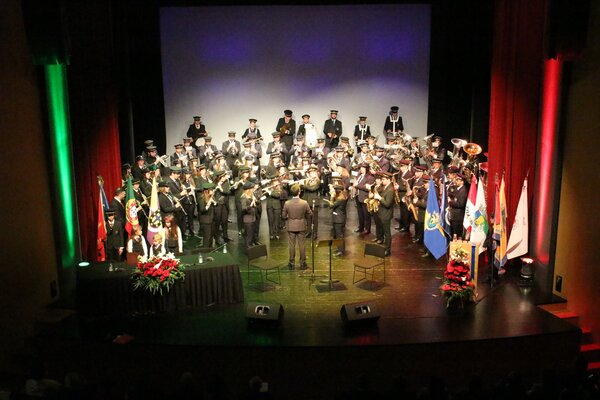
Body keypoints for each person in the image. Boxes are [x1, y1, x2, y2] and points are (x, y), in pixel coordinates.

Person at [282, 183, 312, 270]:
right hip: (301, 226)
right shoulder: (304, 203)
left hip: (291, 226)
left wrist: (289, 217)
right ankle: (303, 263)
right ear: (299, 192)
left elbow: (283, 216)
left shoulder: (287, 203)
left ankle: (291, 263)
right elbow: (310, 214)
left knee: (291, 245)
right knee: (302, 245)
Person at [373, 171, 395, 256]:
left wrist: (379, 198)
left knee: (387, 233)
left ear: (389, 180)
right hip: (381, 213)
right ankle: (384, 247)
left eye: (383, 179)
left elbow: (387, 203)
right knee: (383, 231)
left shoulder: (390, 190)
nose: (382, 181)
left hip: (386, 214)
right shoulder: (384, 187)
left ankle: (388, 250)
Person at [353, 162, 374, 234]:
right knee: (360, 214)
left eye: (363, 168)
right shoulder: (359, 175)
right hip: (358, 196)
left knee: (366, 214)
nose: (361, 169)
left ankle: (367, 229)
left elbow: (367, 188)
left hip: (365, 198)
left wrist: (357, 185)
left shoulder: (370, 177)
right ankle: (361, 227)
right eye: (361, 168)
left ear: (366, 169)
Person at [328, 183, 348, 256]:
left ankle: (341, 251)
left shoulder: (340, 199)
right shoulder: (344, 196)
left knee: (339, 235)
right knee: (338, 235)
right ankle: (339, 248)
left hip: (338, 219)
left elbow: (331, 205)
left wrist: (331, 197)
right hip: (340, 218)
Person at [302, 165, 321, 239]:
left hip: (314, 201)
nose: (311, 174)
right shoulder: (307, 180)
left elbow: (312, 189)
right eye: (310, 173)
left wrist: (304, 186)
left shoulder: (317, 180)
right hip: (306, 200)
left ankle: (315, 233)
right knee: (308, 217)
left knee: (314, 218)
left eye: (313, 172)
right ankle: (308, 231)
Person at [447, 173, 468, 239]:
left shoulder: (463, 190)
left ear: (462, 182)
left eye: (458, 180)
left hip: (458, 216)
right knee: (453, 231)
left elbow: (461, 204)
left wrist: (450, 201)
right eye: (456, 180)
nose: (456, 181)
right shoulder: (458, 188)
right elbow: (454, 194)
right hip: (454, 215)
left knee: (457, 234)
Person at [197, 182, 217, 248]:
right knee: (207, 238)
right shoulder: (201, 198)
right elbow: (202, 210)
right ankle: (205, 252)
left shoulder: (212, 197)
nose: (213, 191)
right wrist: (209, 203)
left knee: (211, 237)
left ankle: (210, 251)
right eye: (211, 190)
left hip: (212, 220)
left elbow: (216, 206)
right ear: (207, 191)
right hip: (206, 221)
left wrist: (214, 203)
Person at [240, 181, 258, 248]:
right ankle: (248, 247)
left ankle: (252, 244)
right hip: (247, 219)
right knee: (248, 235)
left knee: (252, 233)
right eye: (252, 188)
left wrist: (255, 201)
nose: (253, 189)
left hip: (252, 218)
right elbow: (243, 208)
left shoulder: (251, 195)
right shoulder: (243, 197)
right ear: (248, 189)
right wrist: (251, 204)